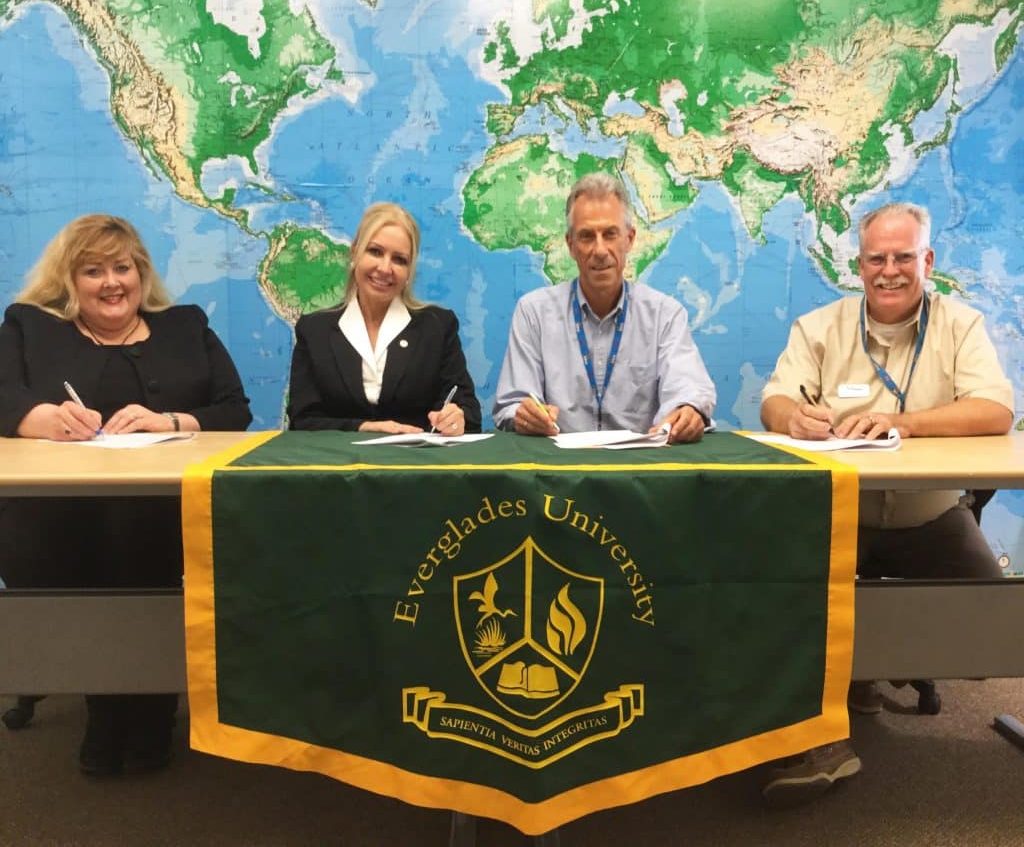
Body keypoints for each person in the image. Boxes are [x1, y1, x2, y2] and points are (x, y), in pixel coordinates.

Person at [759, 201, 1014, 806]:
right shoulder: (820, 327)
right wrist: (793, 417)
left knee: (992, 627)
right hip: (840, 517)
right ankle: (817, 741)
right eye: (877, 258)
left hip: (931, 517)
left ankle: (870, 666)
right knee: (784, 601)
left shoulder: (961, 326)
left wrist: (904, 422)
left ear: (927, 260)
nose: (891, 271)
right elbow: (773, 401)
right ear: (859, 265)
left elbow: (996, 411)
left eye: (904, 257)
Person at [0, 214, 252, 775]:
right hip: (59, 516)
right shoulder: (28, 326)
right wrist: (41, 417)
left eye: (123, 267)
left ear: (141, 273)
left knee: (138, 538)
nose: (112, 282)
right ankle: (106, 707)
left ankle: (151, 710)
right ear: (69, 280)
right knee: (100, 550)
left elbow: (234, 409)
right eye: (93, 271)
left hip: (160, 512)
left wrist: (169, 419)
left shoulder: (185, 325)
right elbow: (3, 397)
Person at [493, 172, 715, 441]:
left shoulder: (665, 315)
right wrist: (525, 415)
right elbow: (513, 404)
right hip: (559, 470)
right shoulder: (533, 313)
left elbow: (688, 390)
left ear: (629, 239)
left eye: (610, 234)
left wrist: (687, 411)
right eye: (587, 236)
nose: (599, 250)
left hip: (640, 470)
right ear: (570, 246)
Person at [287, 202, 481, 434]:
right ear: (354, 252)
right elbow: (302, 421)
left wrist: (457, 418)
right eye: (375, 252)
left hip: (416, 464)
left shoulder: (437, 327)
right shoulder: (314, 331)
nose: (385, 268)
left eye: (399, 259)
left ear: (409, 271)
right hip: (339, 465)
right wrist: (364, 427)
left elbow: (470, 413)